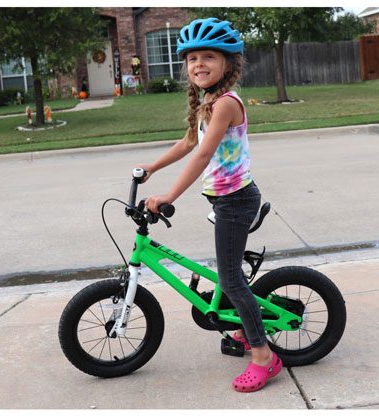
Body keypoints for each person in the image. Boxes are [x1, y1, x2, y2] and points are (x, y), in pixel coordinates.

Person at [135, 18, 282, 393]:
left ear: (228, 64)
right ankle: (242, 326)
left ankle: (264, 356)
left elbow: (202, 156)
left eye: (209, 57)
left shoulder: (227, 104)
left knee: (231, 279)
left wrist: (169, 196)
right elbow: (187, 143)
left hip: (236, 202)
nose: (198, 64)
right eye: (192, 58)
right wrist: (152, 167)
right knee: (227, 273)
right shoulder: (208, 102)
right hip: (225, 200)